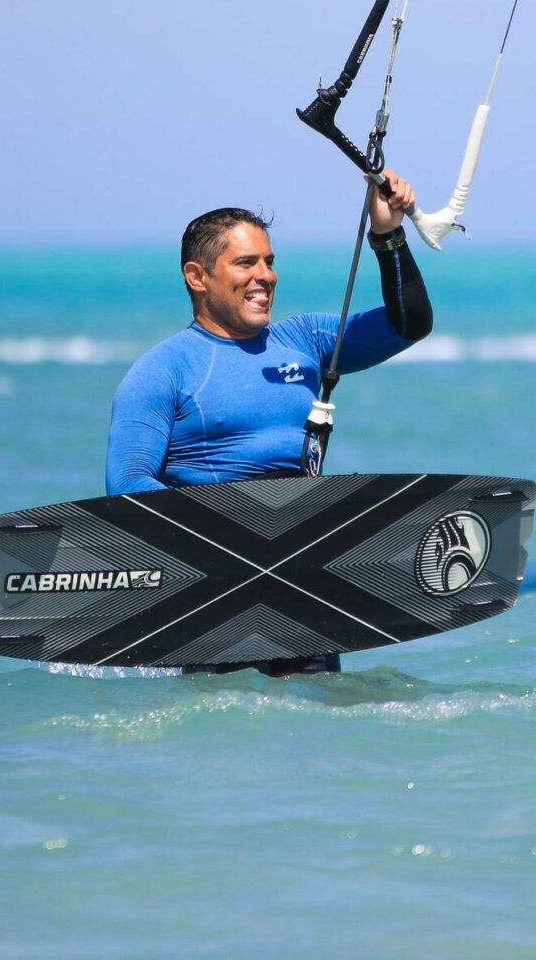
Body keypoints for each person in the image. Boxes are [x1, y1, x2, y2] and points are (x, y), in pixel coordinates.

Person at [108, 171, 432, 676]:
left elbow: (409, 323)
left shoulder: (304, 341)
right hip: (212, 600)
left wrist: (387, 235)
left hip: (303, 587)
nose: (265, 276)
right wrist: (230, 537)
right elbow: (127, 485)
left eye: (269, 262)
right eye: (245, 263)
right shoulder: (163, 370)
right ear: (198, 276)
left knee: (313, 736)